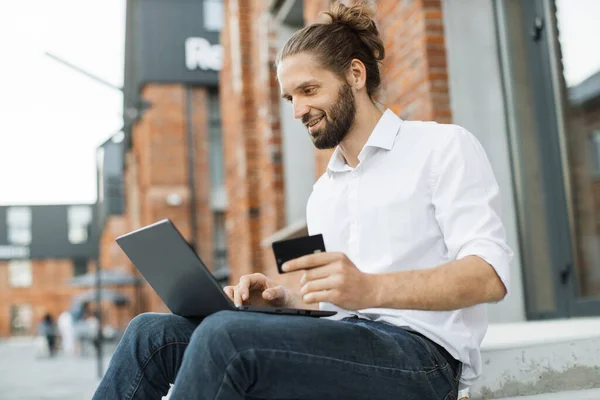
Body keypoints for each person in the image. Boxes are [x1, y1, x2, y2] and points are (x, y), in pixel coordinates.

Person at [93, 1, 512, 399]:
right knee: (150, 334)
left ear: (355, 75)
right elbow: (334, 303)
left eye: (309, 90)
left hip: (422, 360)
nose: (298, 110)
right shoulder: (324, 192)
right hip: (347, 343)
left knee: (225, 338)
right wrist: (283, 302)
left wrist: (370, 288)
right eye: (290, 98)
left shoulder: (441, 147)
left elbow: (489, 277)